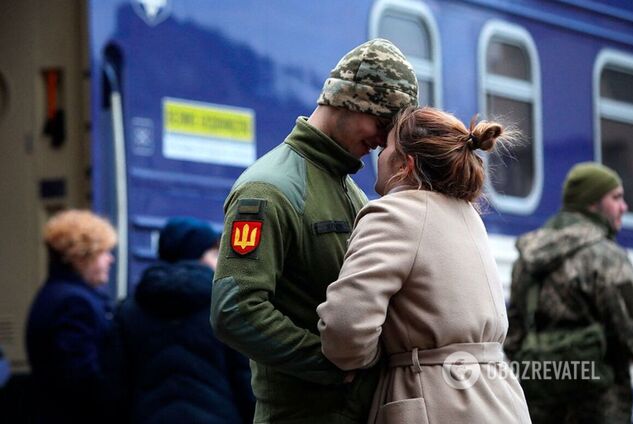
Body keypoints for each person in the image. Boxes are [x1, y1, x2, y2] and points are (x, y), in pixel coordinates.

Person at [210, 38, 419, 423]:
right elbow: (236, 309)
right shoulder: (268, 189)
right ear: (350, 99)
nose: (381, 141)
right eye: (382, 122)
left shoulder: (350, 190)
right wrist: (333, 365)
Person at [317, 106, 532, 424]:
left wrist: (369, 358)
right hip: (500, 399)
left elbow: (346, 328)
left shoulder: (395, 213)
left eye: (387, 146)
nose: (378, 152)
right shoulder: (468, 215)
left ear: (406, 164)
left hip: (433, 400)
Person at [504, 162, 633, 423]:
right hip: (598, 406)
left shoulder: (528, 257)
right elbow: (631, 332)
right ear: (591, 203)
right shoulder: (607, 257)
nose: (624, 207)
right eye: (616, 198)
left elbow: (513, 333)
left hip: (538, 403)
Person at [104, 217, 255, 423]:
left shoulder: (130, 309)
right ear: (196, 255)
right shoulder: (225, 305)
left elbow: (115, 386)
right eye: (213, 253)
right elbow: (245, 379)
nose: (219, 262)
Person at [26, 209, 117, 423]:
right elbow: (81, 377)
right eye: (103, 252)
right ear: (81, 256)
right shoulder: (75, 304)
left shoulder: (53, 294)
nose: (110, 259)